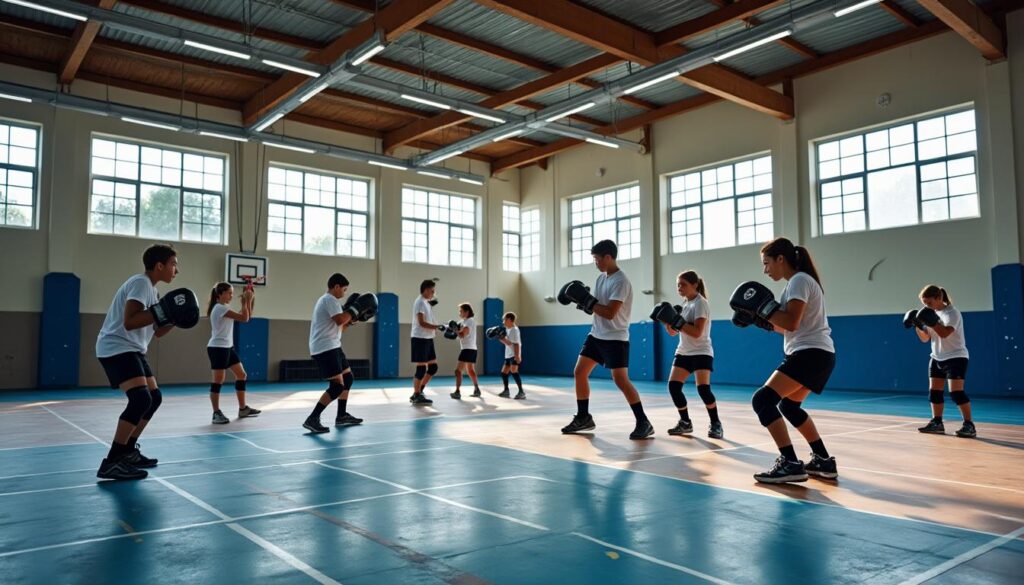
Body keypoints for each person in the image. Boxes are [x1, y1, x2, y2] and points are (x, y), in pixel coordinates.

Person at [730, 237, 837, 483]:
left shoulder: (799, 280)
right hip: (818, 354)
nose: (765, 270)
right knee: (789, 406)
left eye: (766, 263)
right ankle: (823, 460)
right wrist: (760, 321)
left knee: (763, 400)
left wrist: (762, 310)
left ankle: (790, 463)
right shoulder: (797, 283)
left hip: (809, 353)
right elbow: (787, 328)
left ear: (781, 259)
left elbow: (791, 322)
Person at [96, 244, 199, 480]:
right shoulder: (141, 283)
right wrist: (163, 311)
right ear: (159, 266)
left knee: (154, 398)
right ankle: (112, 460)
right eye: (174, 264)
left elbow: (158, 331)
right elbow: (130, 321)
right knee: (140, 399)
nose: (177, 270)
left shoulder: (153, 292)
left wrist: (174, 318)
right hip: (117, 347)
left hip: (133, 349)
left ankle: (128, 451)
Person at [558, 240, 653, 440]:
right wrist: (584, 303)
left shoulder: (621, 281)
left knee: (620, 379)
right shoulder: (601, 279)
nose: (596, 263)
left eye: (597, 259)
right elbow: (597, 308)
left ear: (608, 257)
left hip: (615, 338)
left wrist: (587, 300)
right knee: (580, 372)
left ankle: (643, 421)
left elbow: (610, 313)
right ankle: (584, 417)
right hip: (596, 335)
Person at [650, 270, 723, 439]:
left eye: (683, 284)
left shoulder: (700, 303)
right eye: (678, 285)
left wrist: (677, 321)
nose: (679, 288)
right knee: (674, 387)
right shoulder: (684, 304)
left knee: (703, 389)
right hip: (684, 351)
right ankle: (685, 422)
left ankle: (716, 423)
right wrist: (666, 321)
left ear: (695, 285)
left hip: (701, 351)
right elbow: (673, 333)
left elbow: (697, 332)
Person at [302, 273, 377, 433]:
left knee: (348, 378)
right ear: (336, 287)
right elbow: (339, 320)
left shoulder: (331, 302)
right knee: (337, 386)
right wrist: (354, 309)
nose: (344, 293)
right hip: (325, 348)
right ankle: (312, 418)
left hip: (332, 346)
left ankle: (341, 415)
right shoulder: (329, 299)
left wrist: (351, 320)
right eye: (343, 289)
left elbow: (341, 325)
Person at [906, 285, 976, 438]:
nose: (926, 306)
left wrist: (932, 323)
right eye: (924, 303)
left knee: (956, 393)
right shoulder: (931, 314)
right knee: (934, 393)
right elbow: (925, 339)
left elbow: (944, 334)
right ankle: (937, 423)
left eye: (929, 303)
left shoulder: (952, 313)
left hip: (956, 357)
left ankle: (969, 425)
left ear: (939, 298)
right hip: (937, 357)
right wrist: (918, 325)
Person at [205, 282, 260, 424]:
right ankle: (216, 413)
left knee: (241, 375)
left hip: (228, 348)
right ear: (220, 294)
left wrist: (248, 300)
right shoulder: (219, 308)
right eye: (229, 293)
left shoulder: (225, 308)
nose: (231, 295)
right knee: (218, 380)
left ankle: (243, 409)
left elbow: (246, 316)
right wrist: (246, 300)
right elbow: (244, 318)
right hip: (217, 348)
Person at [409, 280, 442, 405]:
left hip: (428, 339)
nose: (433, 293)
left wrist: (435, 328)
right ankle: (416, 395)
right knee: (421, 369)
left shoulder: (426, 303)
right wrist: (436, 327)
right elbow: (421, 322)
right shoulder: (420, 302)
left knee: (433, 367)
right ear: (426, 289)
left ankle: (419, 391)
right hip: (420, 338)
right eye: (432, 291)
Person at [451, 303, 481, 399]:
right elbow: (459, 332)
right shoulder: (464, 321)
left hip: (467, 349)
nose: (459, 313)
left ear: (467, 312)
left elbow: (463, 334)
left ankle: (457, 391)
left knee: (458, 371)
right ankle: (477, 389)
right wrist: (448, 328)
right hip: (472, 349)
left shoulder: (469, 321)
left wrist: (455, 330)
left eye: (461, 311)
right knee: (470, 370)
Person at [497, 312, 525, 399]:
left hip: (514, 354)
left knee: (513, 371)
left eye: (504, 319)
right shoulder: (508, 329)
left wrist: (517, 356)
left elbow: (516, 344)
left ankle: (521, 392)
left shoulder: (514, 330)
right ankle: (506, 390)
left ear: (509, 319)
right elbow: (508, 343)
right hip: (508, 354)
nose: (503, 321)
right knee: (504, 372)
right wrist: (499, 337)